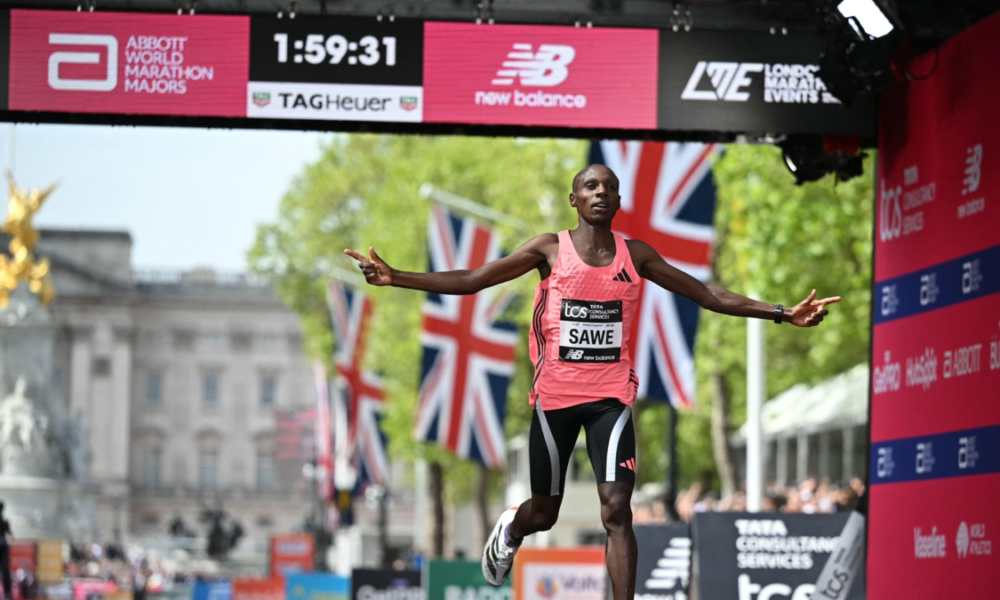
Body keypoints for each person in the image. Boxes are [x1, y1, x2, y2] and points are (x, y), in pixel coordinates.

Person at [345, 164, 840, 599]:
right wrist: (398, 278)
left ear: (619, 201)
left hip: (611, 399)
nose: (600, 192)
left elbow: (706, 293)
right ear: (574, 199)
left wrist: (781, 312)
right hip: (555, 399)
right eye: (590, 186)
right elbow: (475, 278)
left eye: (609, 187)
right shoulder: (547, 250)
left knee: (617, 508)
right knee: (545, 514)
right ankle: (512, 527)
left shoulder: (637, 255)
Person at [0, 502, 11, 600]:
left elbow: (10, 534)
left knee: (5, 571)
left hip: (3, 548)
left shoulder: (4, 522)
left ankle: (7, 593)